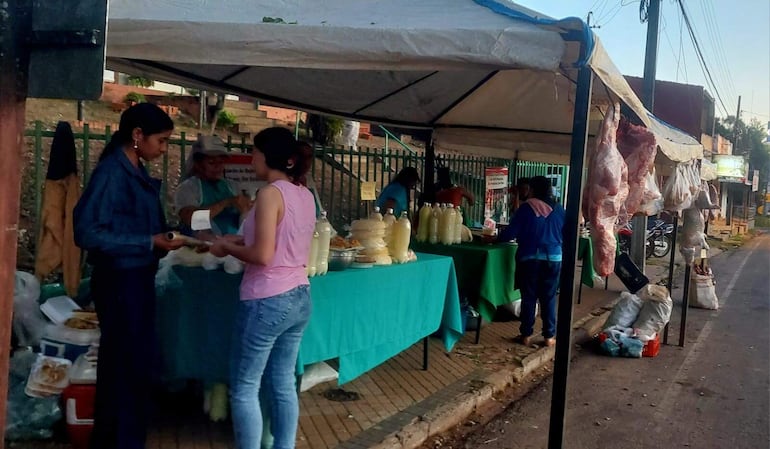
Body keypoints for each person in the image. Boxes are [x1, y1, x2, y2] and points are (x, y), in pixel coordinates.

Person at [73, 103, 185, 449]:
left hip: (137, 277)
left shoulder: (133, 169)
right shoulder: (112, 172)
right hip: (120, 282)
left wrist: (169, 237)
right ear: (137, 135)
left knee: (131, 365)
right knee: (125, 368)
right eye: (162, 141)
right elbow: (87, 232)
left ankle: (119, 438)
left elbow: (140, 224)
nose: (164, 149)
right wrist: (145, 241)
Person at [209, 127, 315, 449]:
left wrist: (227, 249)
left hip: (267, 298)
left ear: (269, 156)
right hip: (300, 294)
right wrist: (236, 240)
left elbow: (263, 256)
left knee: (244, 386)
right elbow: (280, 242)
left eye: (255, 152)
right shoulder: (304, 194)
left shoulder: (270, 194)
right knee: (282, 382)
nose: (251, 157)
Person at [497, 176, 564, 348]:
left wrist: (495, 239)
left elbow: (509, 234)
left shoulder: (526, 209)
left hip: (530, 258)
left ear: (532, 190)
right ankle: (549, 337)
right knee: (548, 298)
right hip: (554, 259)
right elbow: (567, 234)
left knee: (529, 297)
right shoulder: (559, 210)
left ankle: (526, 334)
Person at [175, 135, 252, 236]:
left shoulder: (233, 186)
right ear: (198, 164)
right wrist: (224, 203)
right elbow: (191, 220)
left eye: (221, 162)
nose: (218, 167)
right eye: (211, 163)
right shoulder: (188, 188)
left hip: (236, 246)